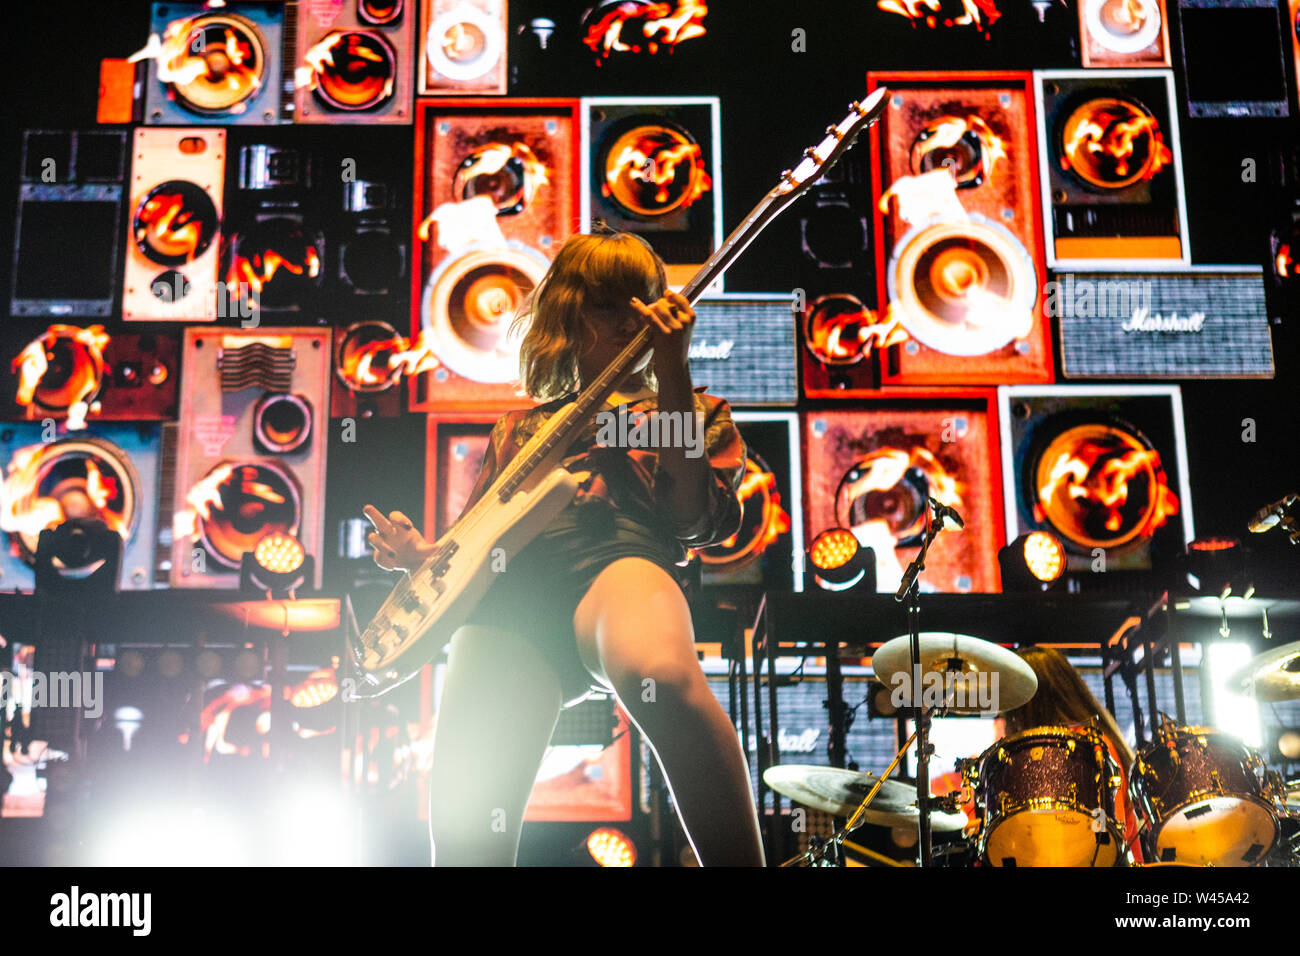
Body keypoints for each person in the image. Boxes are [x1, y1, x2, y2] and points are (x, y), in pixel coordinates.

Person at [364, 231, 765, 866]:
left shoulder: (688, 408)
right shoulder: (520, 426)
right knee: (466, 826)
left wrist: (672, 371)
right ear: (569, 312)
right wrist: (420, 554)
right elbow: (474, 542)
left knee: (660, 676)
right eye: (605, 304)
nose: (625, 321)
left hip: (616, 561)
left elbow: (694, 521)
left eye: (639, 303)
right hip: (510, 595)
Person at [1000, 645, 1143, 864]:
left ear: (1032, 701)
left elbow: (1104, 836)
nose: (1010, 717)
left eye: (1016, 703)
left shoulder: (1086, 748)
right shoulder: (1078, 746)